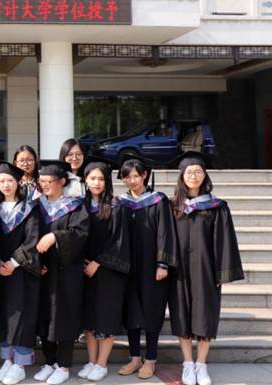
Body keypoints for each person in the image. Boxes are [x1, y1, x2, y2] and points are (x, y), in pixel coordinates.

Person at [167, 151, 244, 385]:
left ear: (205, 175)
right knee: (181, 314)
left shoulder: (217, 206)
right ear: (182, 176)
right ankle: (187, 363)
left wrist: (221, 271)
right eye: (189, 172)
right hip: (179, 270)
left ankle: (201, 364)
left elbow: (224, 240)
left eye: (198, 171)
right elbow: (164, 238)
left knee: (205, 315)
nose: (193, 176)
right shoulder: (172, 206)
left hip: (206, 269)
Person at [115, 158, 178, 380]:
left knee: (152, 310)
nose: (132, 180)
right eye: (127, 176)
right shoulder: (120, 202)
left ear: (144, 175)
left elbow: (165, 233)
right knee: (131, 311)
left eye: (136, 175)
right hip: (127, 266)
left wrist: (163, 264)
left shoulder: (158, 201)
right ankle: (135, 358)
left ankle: (150, 359)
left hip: (152, 266)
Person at [32, 160, 89, 385]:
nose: (45, 185)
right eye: (42, 181)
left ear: (62, 182)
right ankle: (50, 362)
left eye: (49, 181)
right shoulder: (37, 206)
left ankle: (64, 366)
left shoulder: (76, 207)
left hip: (67, 272)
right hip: (43, 271)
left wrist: (55, 236)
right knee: (44, 316)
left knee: (64, 317)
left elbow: (81, 234)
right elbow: (28, 237)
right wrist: (36, 262)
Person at [77, 159, 130, 382]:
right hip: (85, 270)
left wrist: (98, 262)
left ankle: (102, 363)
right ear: (85, 181)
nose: (97, 183)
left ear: (107, 182)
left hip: (108, 271)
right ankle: (91, 361)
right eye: (92, 178)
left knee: (106, 318)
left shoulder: (116, 206)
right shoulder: (80, 206)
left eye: (101, 179)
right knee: (89, 319)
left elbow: (119, 241)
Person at [0, 161, 42, 385]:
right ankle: (8, 359)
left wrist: (13, 263)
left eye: (10, 180)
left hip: (22, 271)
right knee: (4, 314)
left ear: (18, 182)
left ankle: (20, 364)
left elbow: (33, 239)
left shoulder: (30, 209)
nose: (6, 184)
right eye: (1, 181)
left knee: (22, 314)